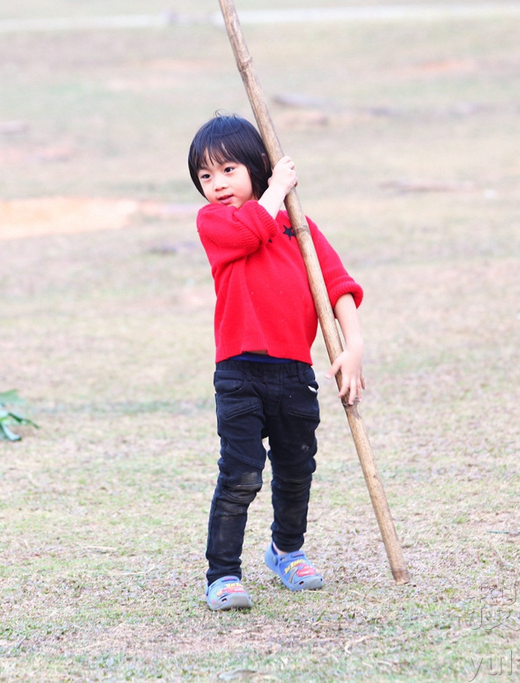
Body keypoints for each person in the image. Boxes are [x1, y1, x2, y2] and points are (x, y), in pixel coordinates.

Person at [188, 113, 366, 610]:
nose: (217, 184)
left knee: (296, 468)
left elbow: (337, 285)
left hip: (293, 372)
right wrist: (276, 189)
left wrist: (353, 346)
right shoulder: (215, 223)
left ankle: (286, 551)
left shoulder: (299, 227)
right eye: (205, 175)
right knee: (241, 473)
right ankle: (223, 575)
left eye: (228, 170)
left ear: (257, 165)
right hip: (239, 373)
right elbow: (250, 233)